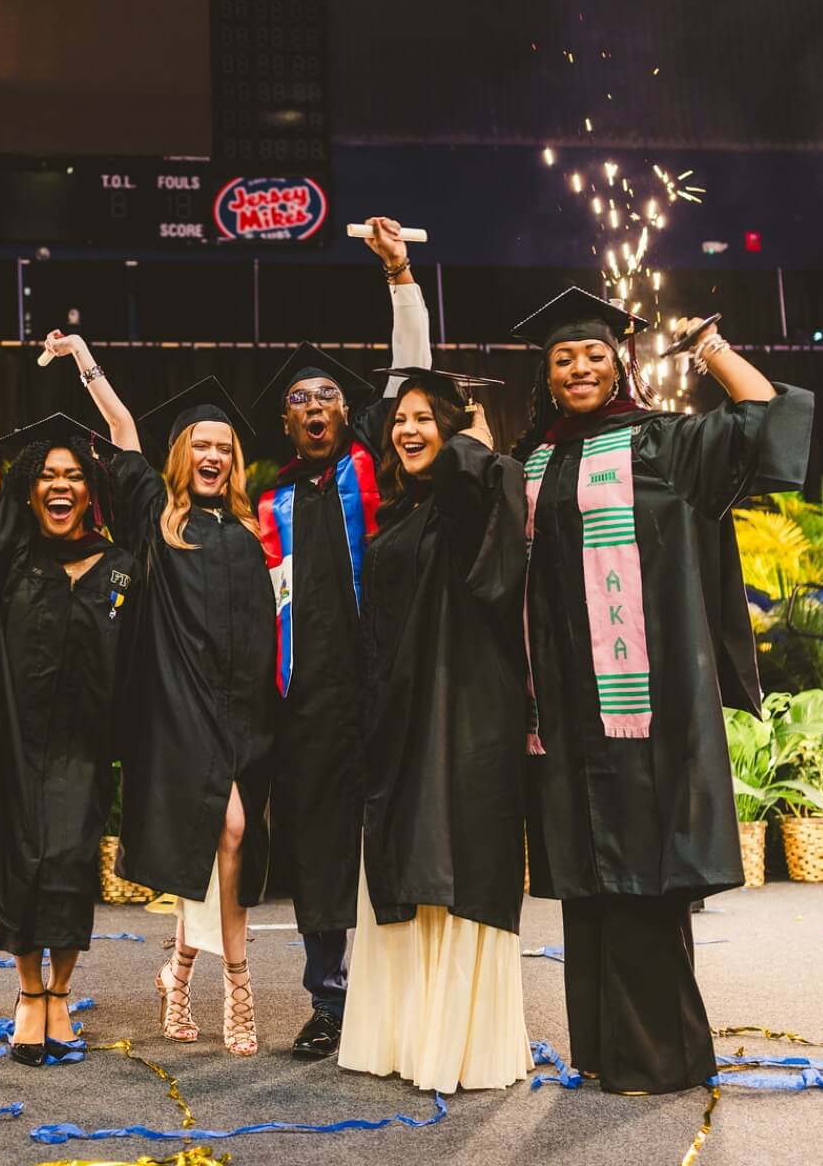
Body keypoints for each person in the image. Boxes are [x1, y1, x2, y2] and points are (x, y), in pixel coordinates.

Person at [510, 287, 814, 1094]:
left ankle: (662, 1057)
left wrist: (710, 348)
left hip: (640, 706)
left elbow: (765, 416)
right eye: (563, 357)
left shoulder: (664, 444)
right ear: (546, 375)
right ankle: (608, 1050)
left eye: (593, 354)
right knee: (590, 884)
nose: (579, 367)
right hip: (565, 715)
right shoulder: (532, 460)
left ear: (620, 363)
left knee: (643, 874)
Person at [337, 218, 532, 1093]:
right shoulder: (396, 517)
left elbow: (477, 488)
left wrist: (404, 285)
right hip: (402, 723)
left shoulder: (476, 489)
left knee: (456, 864)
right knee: (402, 865)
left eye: (427, 420)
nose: (408, 429)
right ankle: (401, 1038)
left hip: (464, 721)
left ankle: (455, 1044)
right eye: (400, 422)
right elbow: (396, 398)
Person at [45, 330, 273, 1057]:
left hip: (244, 717)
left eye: (225, 447)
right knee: (227, 831)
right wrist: (85, 358)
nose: (214, 454)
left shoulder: (246, 529)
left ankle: (175, 975)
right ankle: (239, 986)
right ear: (181, 455)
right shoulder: (155, 515)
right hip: (180, 716)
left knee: (218, 846)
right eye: (201, 444)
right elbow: (120, 431)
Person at [0, 292, 141, 1067]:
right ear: (32, 491)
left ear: (91, 490)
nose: (60, 486)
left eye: (74, 476)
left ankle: (62, 991)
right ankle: (30, 996)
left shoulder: (122, 568)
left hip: (86, 746)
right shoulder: (12, 553)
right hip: (13, 738)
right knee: (25, 858)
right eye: (47, 477)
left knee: (69, 863)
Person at [248, 334, 384, 1060]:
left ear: (349, 411)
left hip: (385, 694)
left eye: (326, 395)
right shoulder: (270, 502)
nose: (313, 408)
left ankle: (399, 995)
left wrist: (400, 282)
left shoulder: (377, 473)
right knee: (322, 858)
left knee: (393, 848)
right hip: (307, 706)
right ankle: (328, 1001)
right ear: (285, 422)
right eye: (298, 400)